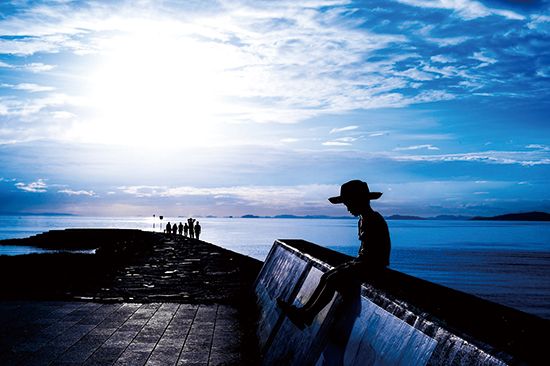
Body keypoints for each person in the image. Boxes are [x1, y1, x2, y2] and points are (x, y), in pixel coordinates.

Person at [277, 180, 391, 330]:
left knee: (332, 280)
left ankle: (308, 314)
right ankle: (305, 312)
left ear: (359, 201)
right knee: (326, 276)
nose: (348, 208)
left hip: (373, 267)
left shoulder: (375, 220)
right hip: (363, 263)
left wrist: (357, 266)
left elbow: (378, 254)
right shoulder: (363, 220)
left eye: (349, 203)